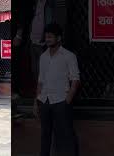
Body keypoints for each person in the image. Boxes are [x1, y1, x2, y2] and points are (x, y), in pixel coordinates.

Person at [34, 23, 80, 156]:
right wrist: (35, 102)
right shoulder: (43, 57)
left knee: (66, 135)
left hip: (61, 101)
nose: (47, 39)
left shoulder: (69, 56)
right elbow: (40, 81)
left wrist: (67, 101)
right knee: (45, 136)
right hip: (44, 101)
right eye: (46, 37)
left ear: (58, 38)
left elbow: (75, 80)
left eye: (50, 37)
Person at [14, 0, 56, 96]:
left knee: (46, 69)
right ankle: (40, 95)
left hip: (45, 38)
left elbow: (51, 18)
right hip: (34, 38)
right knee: (35, 69)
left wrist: (48, 35)